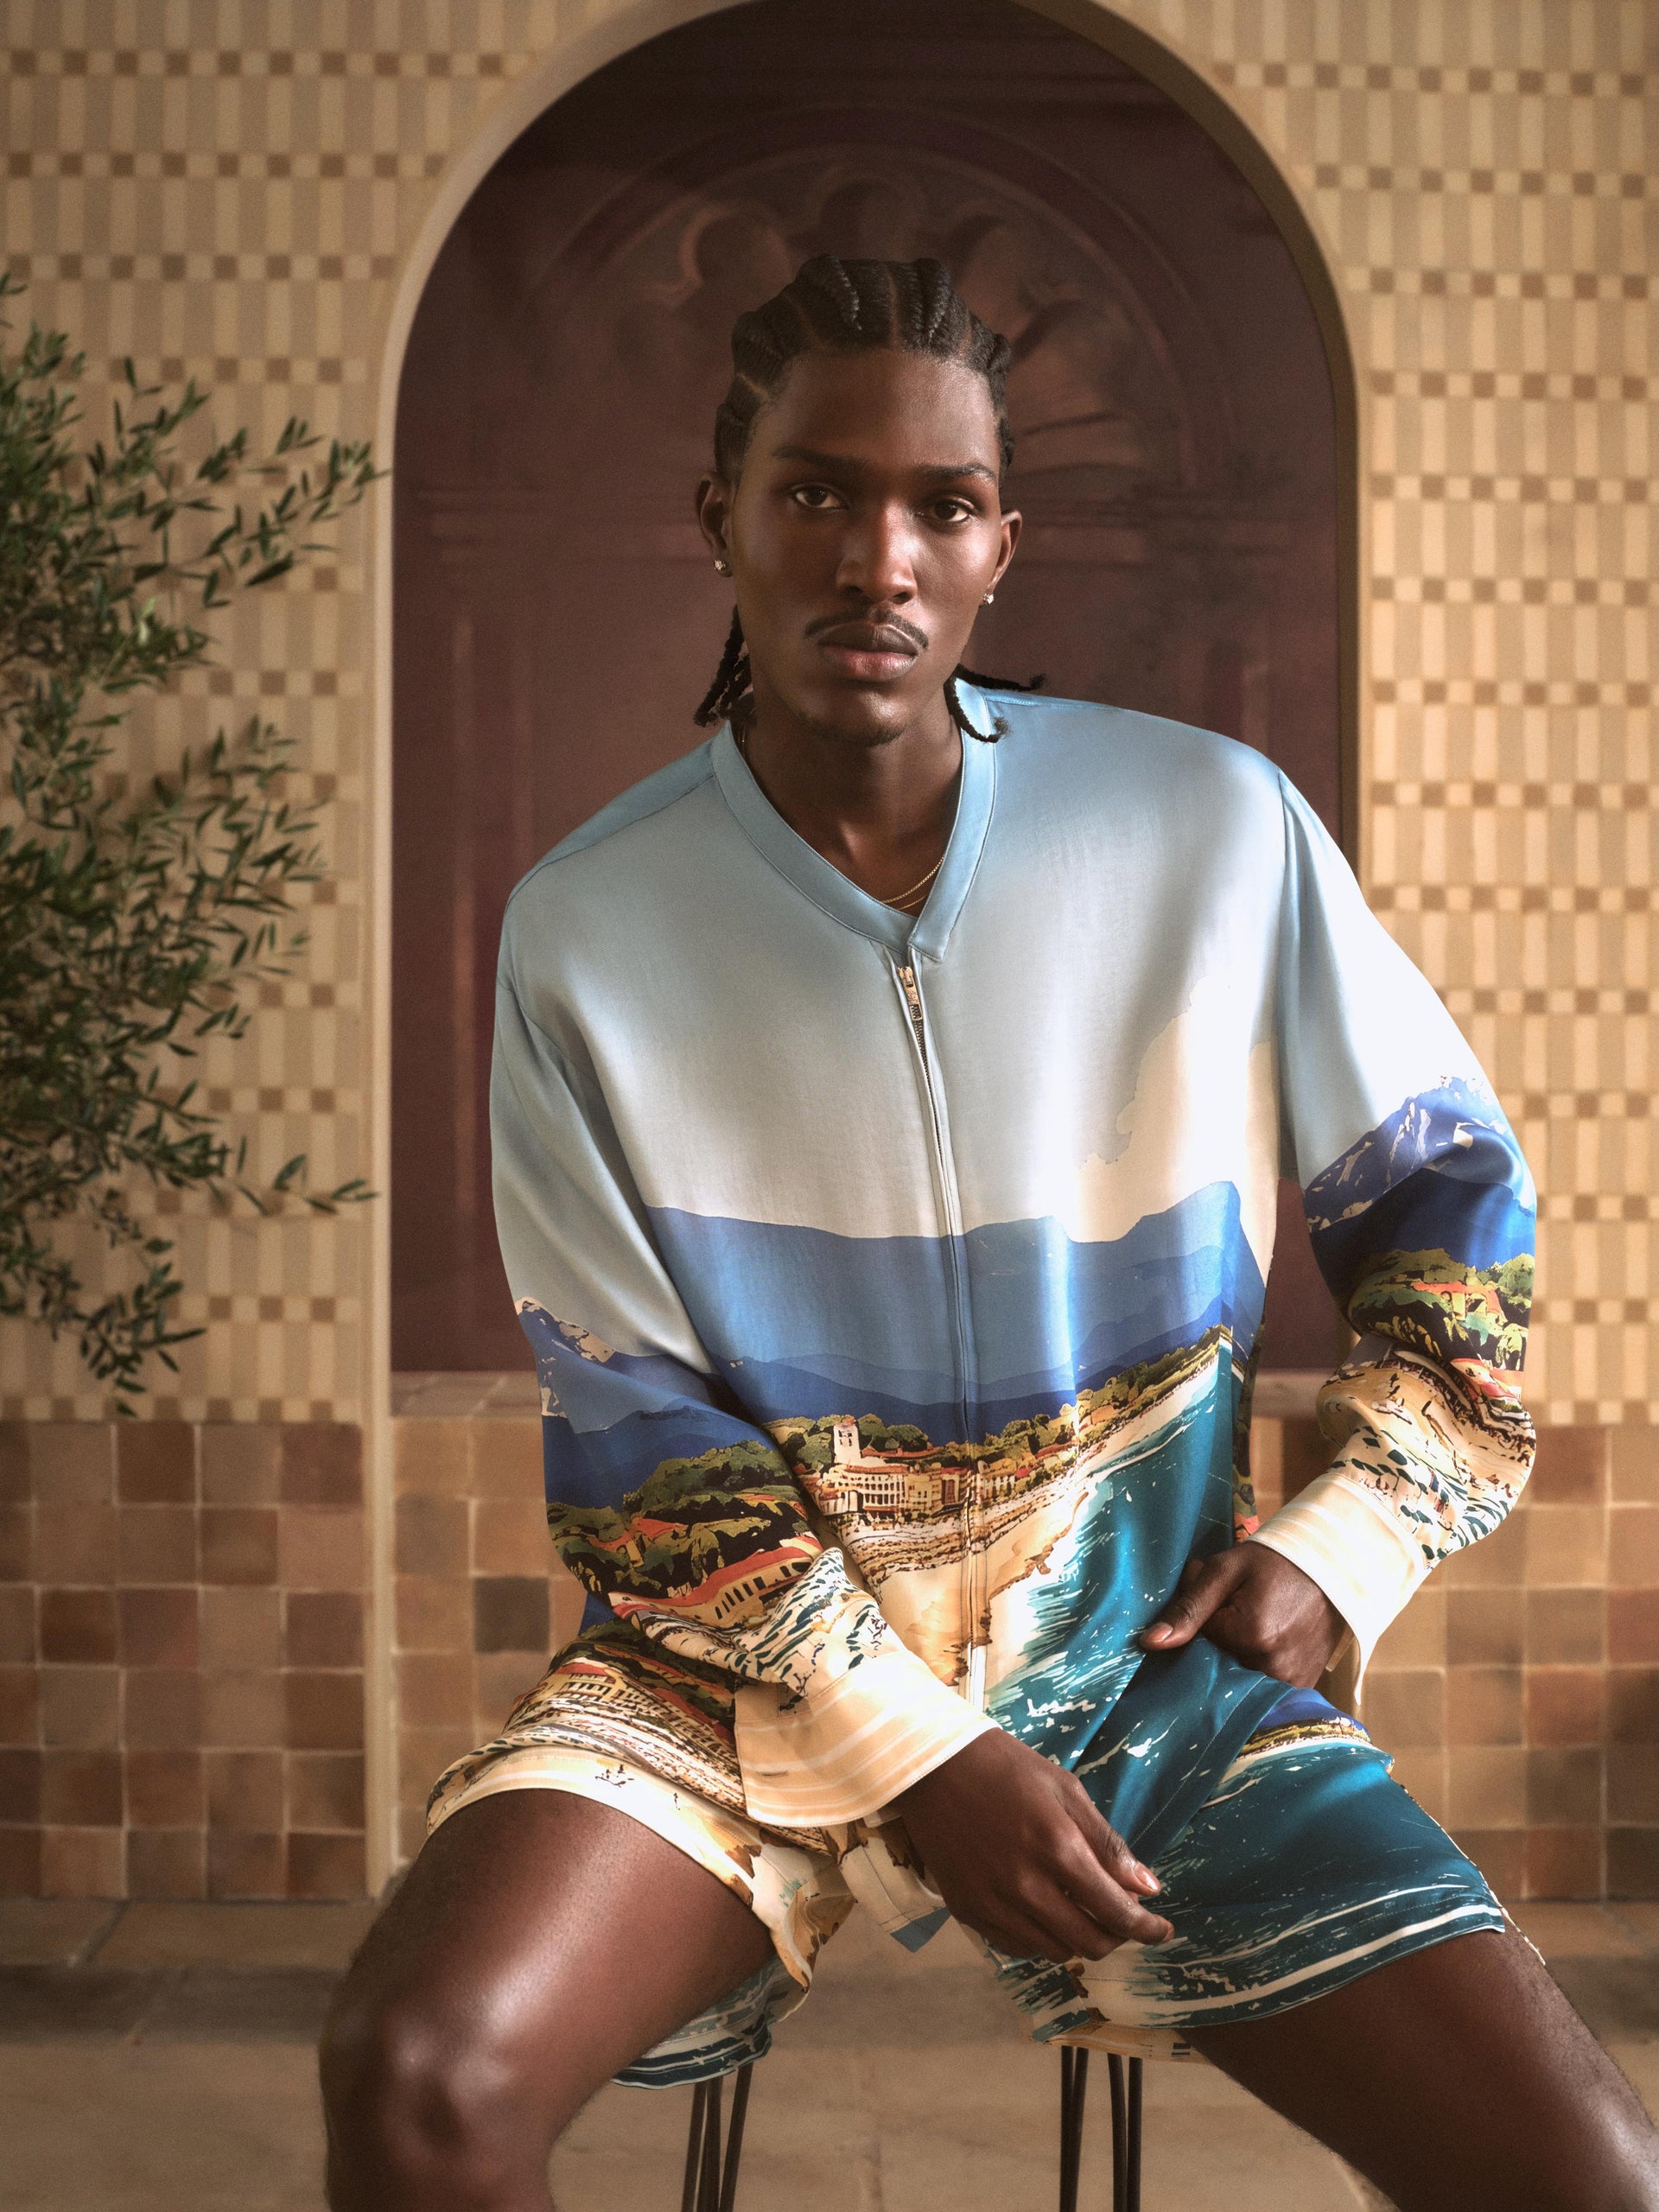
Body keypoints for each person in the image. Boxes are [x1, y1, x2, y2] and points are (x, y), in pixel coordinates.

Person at [321, 257, 1658, 2210]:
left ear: (998, 548)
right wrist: (920, 1755)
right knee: (417, 2073)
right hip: (734, 1687)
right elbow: (639, 1433)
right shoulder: (585, 931)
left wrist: (1345, 1541)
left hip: (1143, 1669)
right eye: (815, 492)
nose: (877, 557)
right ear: (721, 518)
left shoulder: (1212, 829)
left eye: (939, 505)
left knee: (1592, 2178)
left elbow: (1454, 1209)